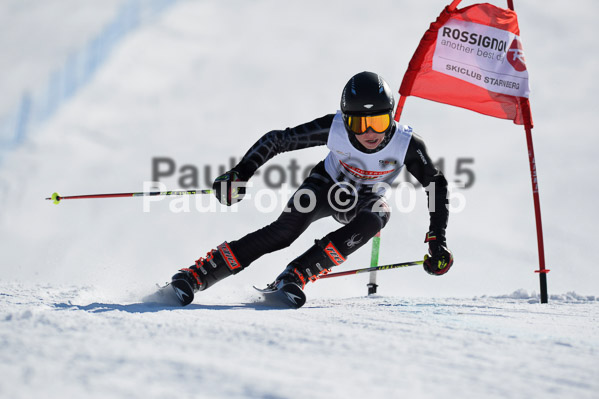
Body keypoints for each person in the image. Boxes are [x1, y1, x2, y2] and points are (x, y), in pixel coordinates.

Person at [169, 71, 453, 306]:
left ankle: (297, 274)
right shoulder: (335, 128)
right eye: (359, 122)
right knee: (283, 233)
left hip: (365, 199)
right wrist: (241, 172)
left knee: (378, 215)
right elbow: (278, 140)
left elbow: (435, 184)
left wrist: (436, 238)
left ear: (391, 117)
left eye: (378, 121)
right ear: (346, 118)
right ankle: (199, 274)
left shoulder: (407, 144)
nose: (370, 133)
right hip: (325, 186)